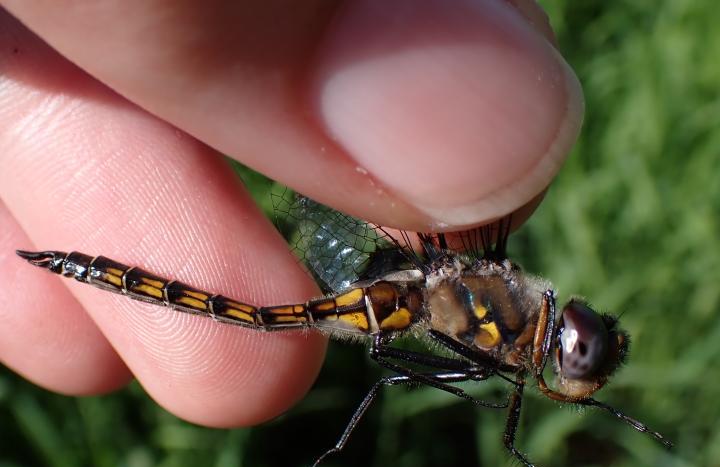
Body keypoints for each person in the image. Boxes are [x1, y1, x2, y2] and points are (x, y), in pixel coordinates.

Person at [0, 0, 583, 428]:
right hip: (390, 296)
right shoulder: (501, 307)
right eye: (572, 355)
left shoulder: (500, 328)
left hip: (388, 298)